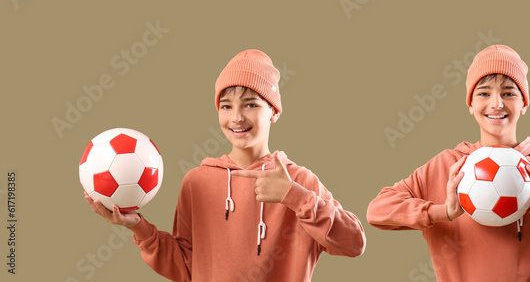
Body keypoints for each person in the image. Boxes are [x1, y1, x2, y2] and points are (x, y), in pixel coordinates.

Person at [84, 49, 366, 281]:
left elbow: (354, 244)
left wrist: (294, 196)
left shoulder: (298, 181)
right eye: (226, 106)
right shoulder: (197, 182)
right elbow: (186, 267)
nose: (237, 117)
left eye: (251, 104)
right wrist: (139, 227)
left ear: (274, 111)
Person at [367, 44, 530, 281]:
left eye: (508, 93)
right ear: (470, 104)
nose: (496, 103)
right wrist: (442, 212)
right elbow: (377, 211)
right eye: (483, 93)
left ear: (524, 103)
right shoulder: (449, 166)